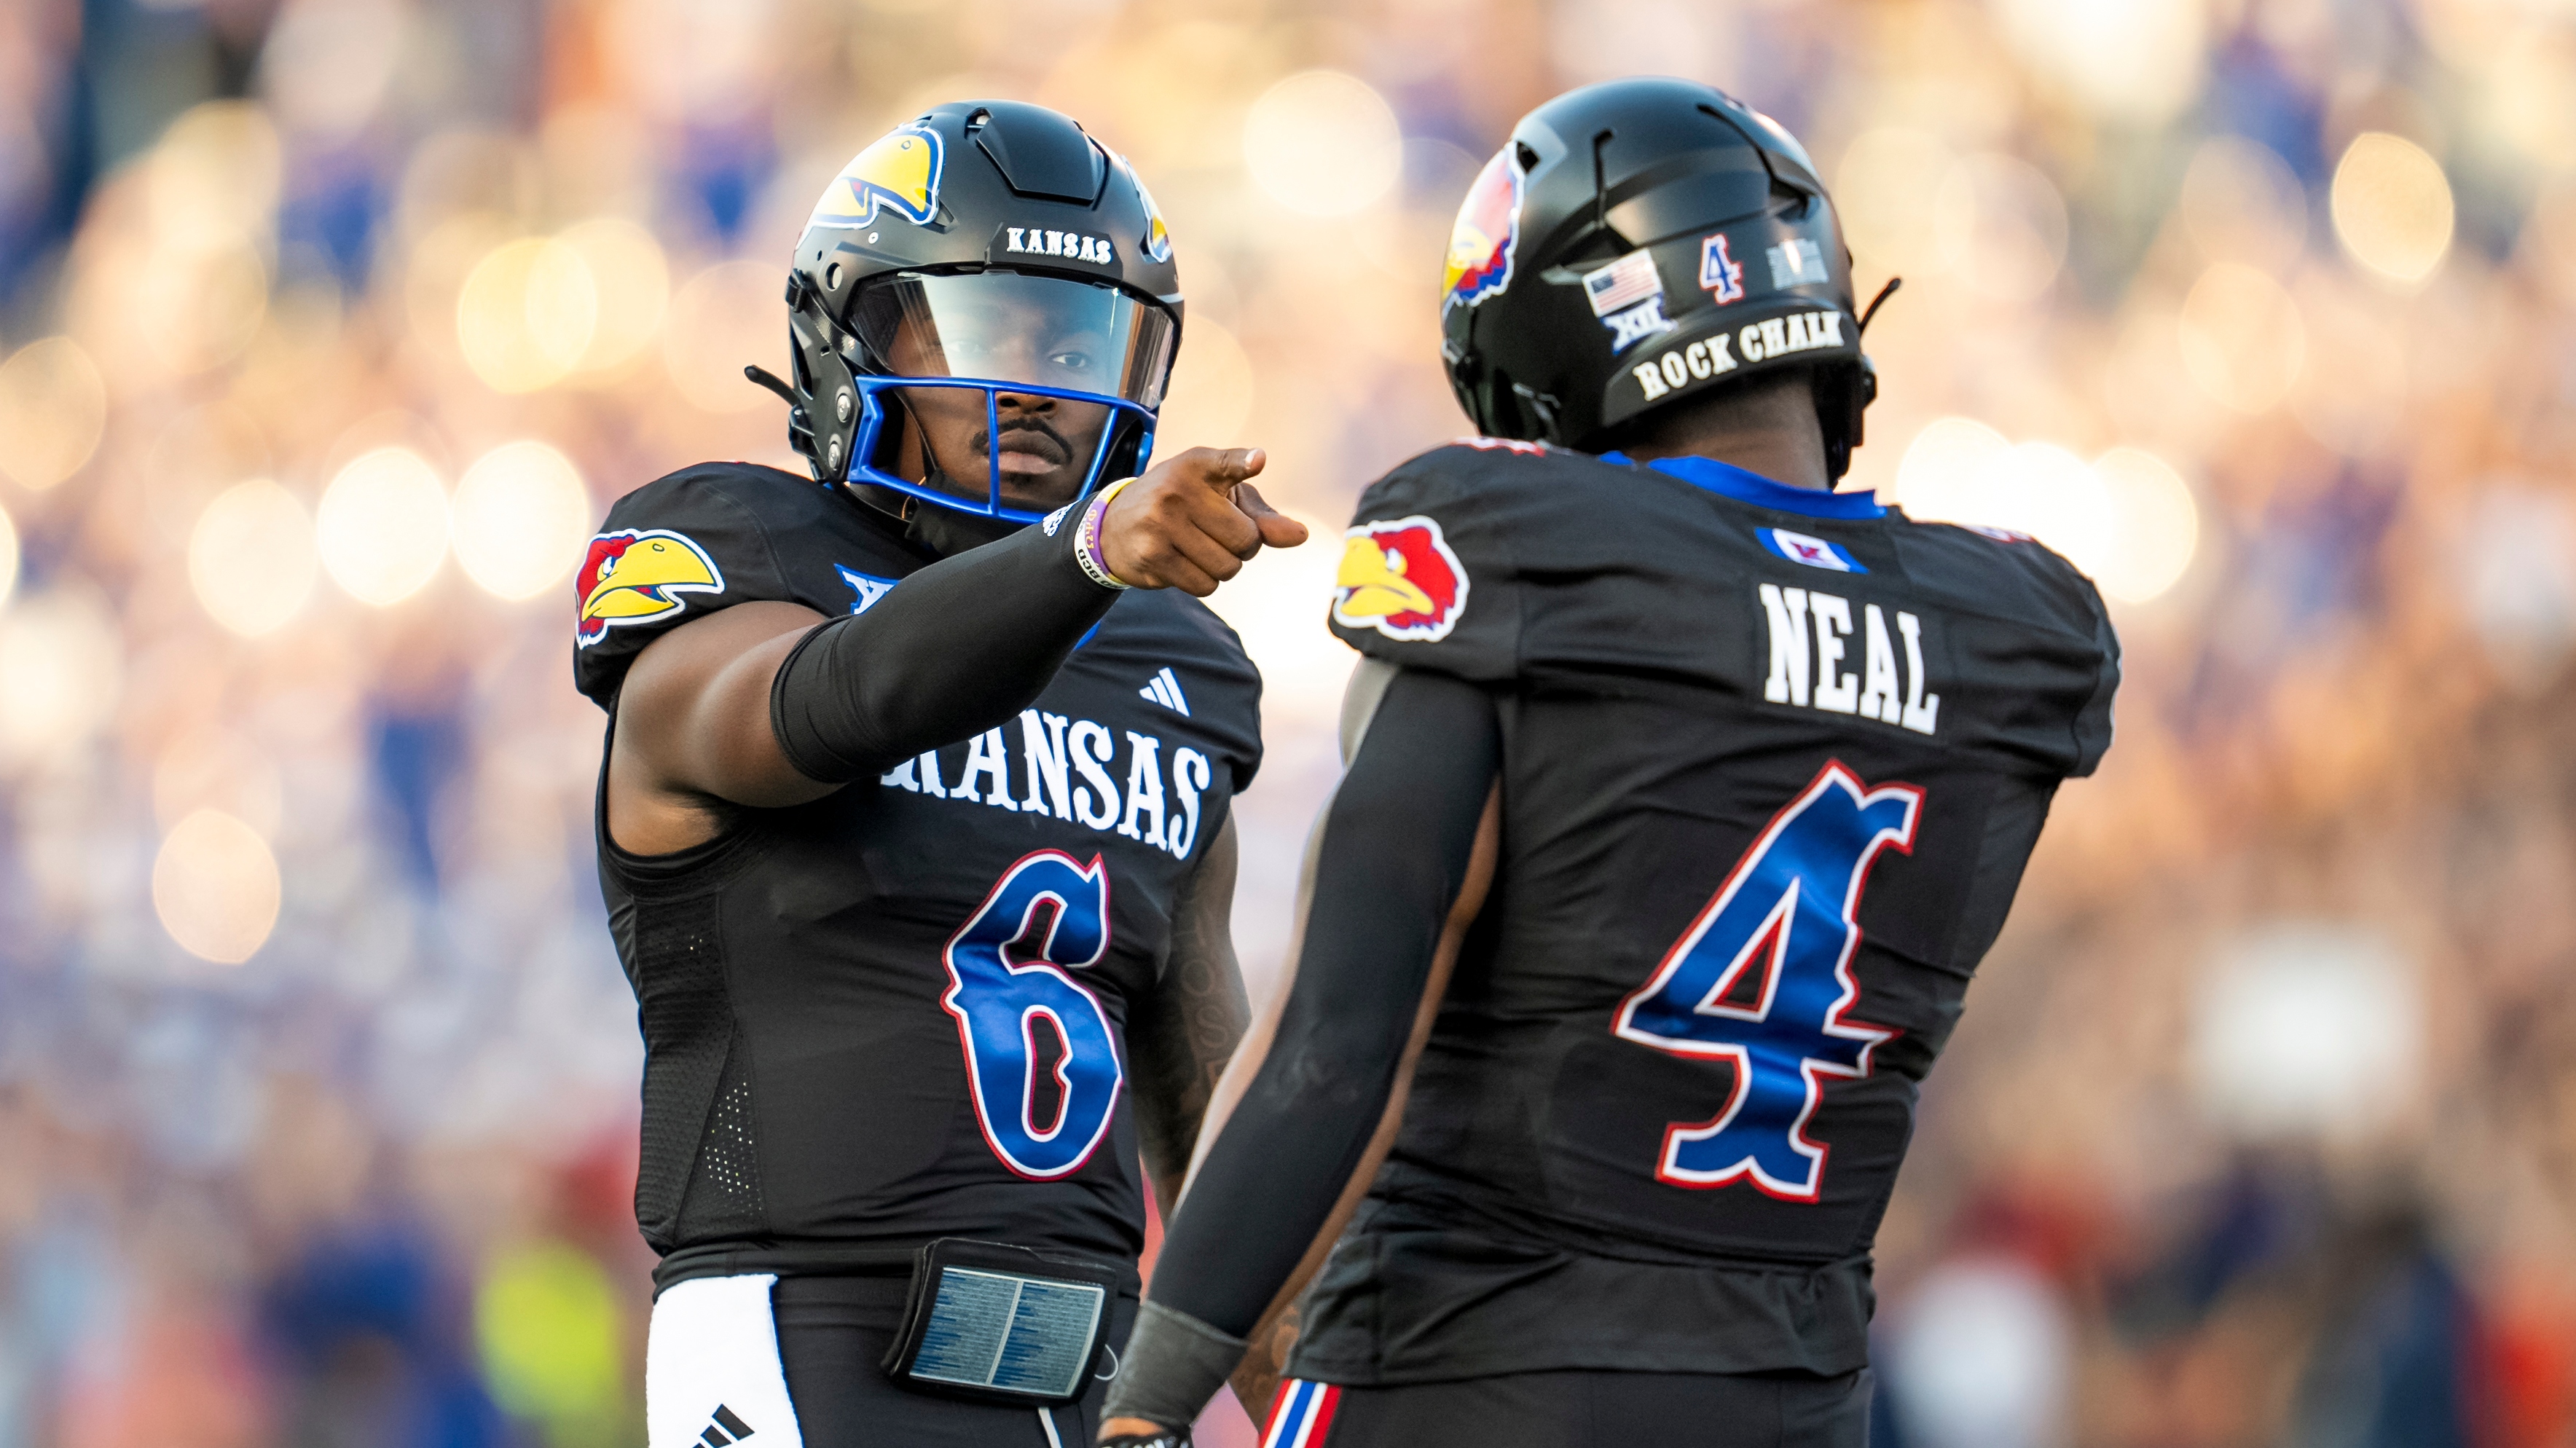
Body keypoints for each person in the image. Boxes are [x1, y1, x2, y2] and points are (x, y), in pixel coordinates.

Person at [1098, 77, 2119, 1448]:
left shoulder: (1516, 555)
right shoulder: (2012, 635)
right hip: (1791, 1394)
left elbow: (1339, 1052)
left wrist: (1150, 1402)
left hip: (1470, 1370)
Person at [572, 99, 1305, 1448]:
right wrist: (1079, 559)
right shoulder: (738, 551)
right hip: (811, 1337)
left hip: (1089, 1375)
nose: (1037, 382)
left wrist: (1312, 1404)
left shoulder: (1171, 661)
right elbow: (808, 711)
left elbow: (1208, 1115)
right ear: (852, 338)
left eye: (1080, 340)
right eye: (986, 330)